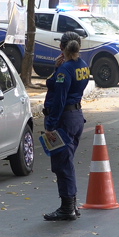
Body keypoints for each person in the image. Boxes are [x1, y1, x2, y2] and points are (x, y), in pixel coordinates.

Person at [42, 31, 90, 221]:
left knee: (63, 164)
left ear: (62, 47)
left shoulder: (65, 70)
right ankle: (71, 205)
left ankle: (67, 207)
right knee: (66, 162)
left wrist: (51, 126)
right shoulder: (82, 66)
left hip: (64, 119)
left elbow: (59, 100)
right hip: (76, 116)